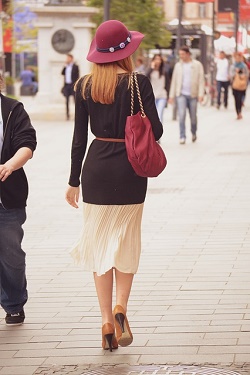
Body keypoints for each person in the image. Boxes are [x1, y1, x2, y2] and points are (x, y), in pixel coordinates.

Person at [65, 20, 163, 351]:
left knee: (99, 248)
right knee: (126, 244)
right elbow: (158, 131)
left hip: (95, 171)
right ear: (126, 51)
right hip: (130, 173)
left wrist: (72, 181)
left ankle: (106, 320)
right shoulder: (139, 83)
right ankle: (122, 307)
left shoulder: (84, 85)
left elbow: (79, 138)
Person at [0, 73, 37, 325]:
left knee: (10, 253)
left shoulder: (12, 109)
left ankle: (13, 303)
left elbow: (27, 144)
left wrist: (10, 165)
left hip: (7, 194)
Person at [169, 46, 205, 145]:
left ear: (188, 54)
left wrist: (201, 94)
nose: (181, 56)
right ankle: (182, 136)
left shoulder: (197, 65)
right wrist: (171, 96)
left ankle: (193, 132)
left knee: (193, 116)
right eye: (180, 54)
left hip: (193, 95)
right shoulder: (178, 66)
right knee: (181, 115)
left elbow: (201, 80)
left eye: (183, 54)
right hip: (181, 94)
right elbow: (174, 81)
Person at [146, 54, 170, 124]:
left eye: (159, 59)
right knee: (151, 116)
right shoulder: (150, 71)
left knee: (159, 114)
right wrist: (151, 67)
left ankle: (159, 132)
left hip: (162, 96)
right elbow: (145, 78)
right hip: (152, 97)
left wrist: (168, 96)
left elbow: (167, 84)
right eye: (156, 59)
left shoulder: (164, 72)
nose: (157, 61)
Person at [230, 52, 248, 120]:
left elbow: (246, 74)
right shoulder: (233, 66)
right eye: (236, 57)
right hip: (235, 85)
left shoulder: (244, 66)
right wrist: (235, 73)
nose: (238, 59)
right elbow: (231, 74)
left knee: (240, 99)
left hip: (242, 85)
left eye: (239, 57)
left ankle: (240, 112)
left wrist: (241, 74)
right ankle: (237, 112)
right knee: (236, 99)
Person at [61, 54, 79, 120]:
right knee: (67, 101)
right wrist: (65, 66)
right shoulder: (66, 67)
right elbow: (62, 73)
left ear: (71, 58)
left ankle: (76, 115)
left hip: (73, 86)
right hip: (67, 86)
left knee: (75, 101)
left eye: (68, 58)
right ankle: (67, 115)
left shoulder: (75, 66)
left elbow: (77, 76)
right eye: (67, 58)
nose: (67, 59)